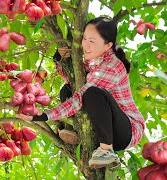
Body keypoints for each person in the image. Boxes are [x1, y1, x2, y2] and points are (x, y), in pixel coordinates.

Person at [16, 16, 145, 168]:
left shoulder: (112, 66)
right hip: (105, 125)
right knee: (67, 89)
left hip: (126, 130)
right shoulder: (94, 60)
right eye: (84, 38)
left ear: (108, 45)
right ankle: (74, 130)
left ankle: (106, 151)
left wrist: (44, 115)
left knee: (91, 93)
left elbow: (80, 97)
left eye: (92, 41)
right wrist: (59, 59)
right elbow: (74, 80)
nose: (86, 45)